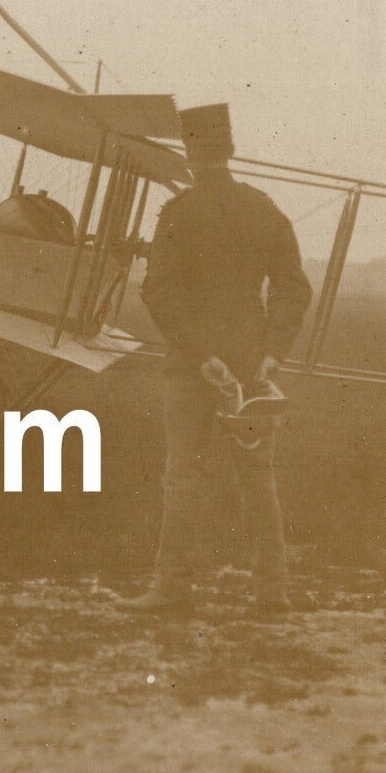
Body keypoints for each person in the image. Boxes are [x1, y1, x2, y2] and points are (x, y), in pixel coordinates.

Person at [123, 104, 313, 614]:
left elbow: (158, 291)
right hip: (251, 365)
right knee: (258, 477)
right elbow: (294, 287)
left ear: (189, 156)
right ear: (230, 150)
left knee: (184, 472)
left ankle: (171, 588)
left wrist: (201, 353)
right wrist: (272, 352)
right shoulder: (263, 208)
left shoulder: (178, 213)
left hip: (191, 365)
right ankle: (272, 593)